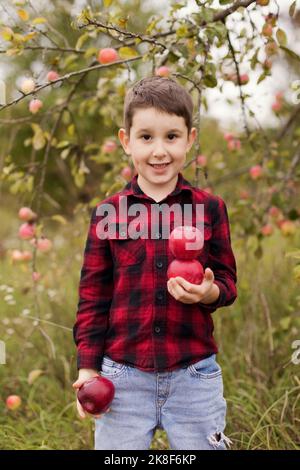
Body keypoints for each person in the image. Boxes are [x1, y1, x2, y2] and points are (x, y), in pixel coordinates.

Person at [72, 75, 237, 450]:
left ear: (190, 139)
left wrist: (208, 292)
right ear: (126, 140)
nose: (159, 151)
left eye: (172, 137)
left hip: (194, 374)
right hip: (123, 376)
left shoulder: (208, 208)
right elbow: (93, 297)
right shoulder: (108, 213)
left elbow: (227, 281)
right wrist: (87, 367)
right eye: (146, 137)